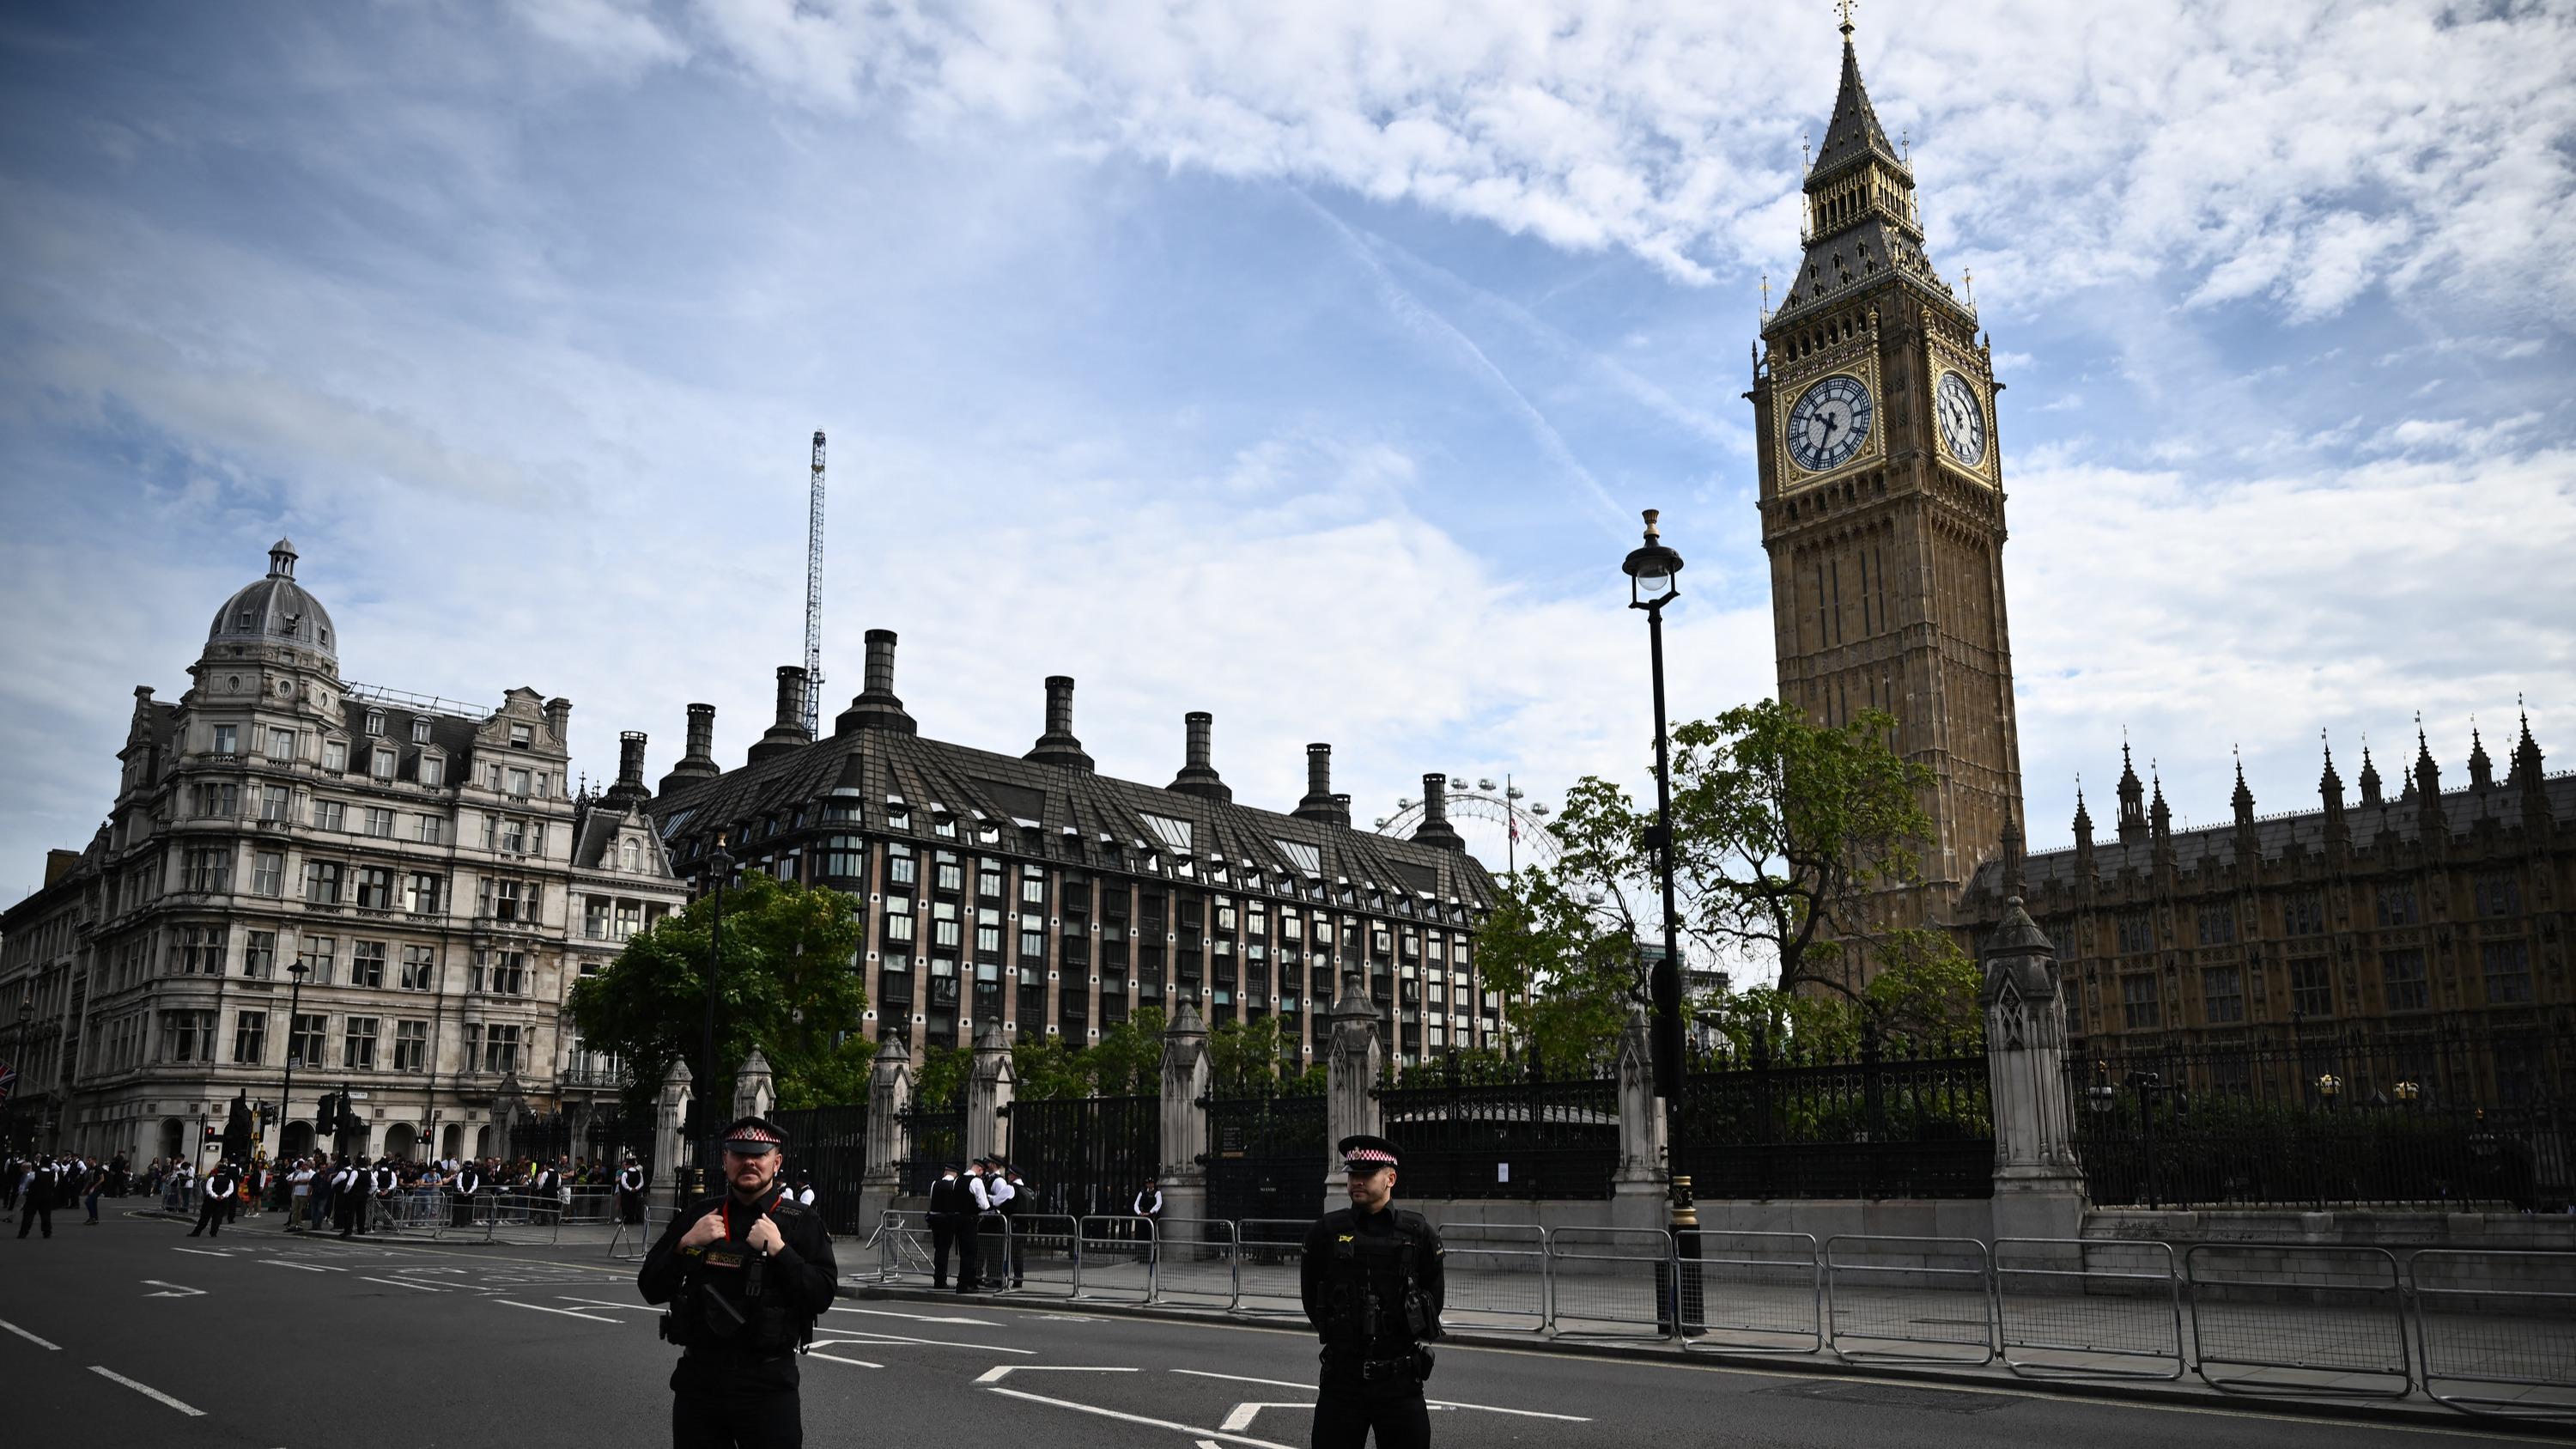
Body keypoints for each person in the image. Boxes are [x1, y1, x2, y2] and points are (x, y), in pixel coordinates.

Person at [638, 1116, 837, 1449]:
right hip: (700, 1384)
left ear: (777, 1162)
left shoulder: (800, 1222)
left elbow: (822, 1295)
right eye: (739, 1153)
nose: (749, 1162)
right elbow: (650, 1287)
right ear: (725, 1160)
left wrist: (781, 1251)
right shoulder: (699, 1216)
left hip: (768, 1385)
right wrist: (685, 1244)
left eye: (759, 1155)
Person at [1301, 1135, 1446, 1449]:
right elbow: (1311, 1298)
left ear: (1390, 1178)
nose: (1356, 1181)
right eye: (1353, 1174)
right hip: (1343, 1381)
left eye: (1366, 1174)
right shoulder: (1326, 1232)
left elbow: (1435, 1297)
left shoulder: (1418, 1234)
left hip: (1400, 1383)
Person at [925, 1165, 965, 1289]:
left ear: (946, 1171)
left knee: (938, 1251)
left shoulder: (935, 1184)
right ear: (956, 1174)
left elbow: (933, 1200)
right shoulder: (954, 1185)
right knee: (945, 1251)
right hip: (948, 1222)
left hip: (935, 1221)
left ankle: (938, 1278)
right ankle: (941, 1281)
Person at [985, 1157, 1019, 1290]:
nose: (987, 1164)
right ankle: (991, 1276)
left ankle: (995, 1277)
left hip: (996, 1219)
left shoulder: (999, 1182)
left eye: (989, 1163)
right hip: (990, 1219)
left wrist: (987, 1197)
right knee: (990, 1250)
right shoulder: (989, 1178)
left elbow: (1000, 1200)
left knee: (996, 1251)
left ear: (994, 1164)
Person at [190, 1159, 240, 1239]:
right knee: (217, 1217)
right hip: (222, 1201)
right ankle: (213, 1233)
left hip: (210, 1201)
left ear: (217, 1170)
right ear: (225, 1171)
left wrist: (215, 1196)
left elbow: (208, 1189)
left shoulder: (212, 1179)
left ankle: (197, 1232)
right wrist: (222, 1196)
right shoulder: (229, 1180)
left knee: (204, 1217)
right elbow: (230, 1190)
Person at [15, 1155, 58, 1239]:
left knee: (28, 1215)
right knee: (46, 1215)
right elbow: (54, 1185)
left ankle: (23, 1233)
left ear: (41, 1163)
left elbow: (25, 1185)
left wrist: (23, 1192)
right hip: (47, 1197)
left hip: (33, 1197)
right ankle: (47, 1232)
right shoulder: (54, 1175)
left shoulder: (34, 1174)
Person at [617, 1154, 647, 1226]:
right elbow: (641, 1183)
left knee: (625, 1205)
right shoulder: (639, 1173)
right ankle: (631, 1219)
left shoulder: (625, 1173)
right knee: (633, 1205)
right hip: (634, 1193)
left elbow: (623, 1183)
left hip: (626, 1193)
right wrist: (636, 1188)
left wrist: (629, 1188)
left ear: (628, 1165)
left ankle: (626, 1219)